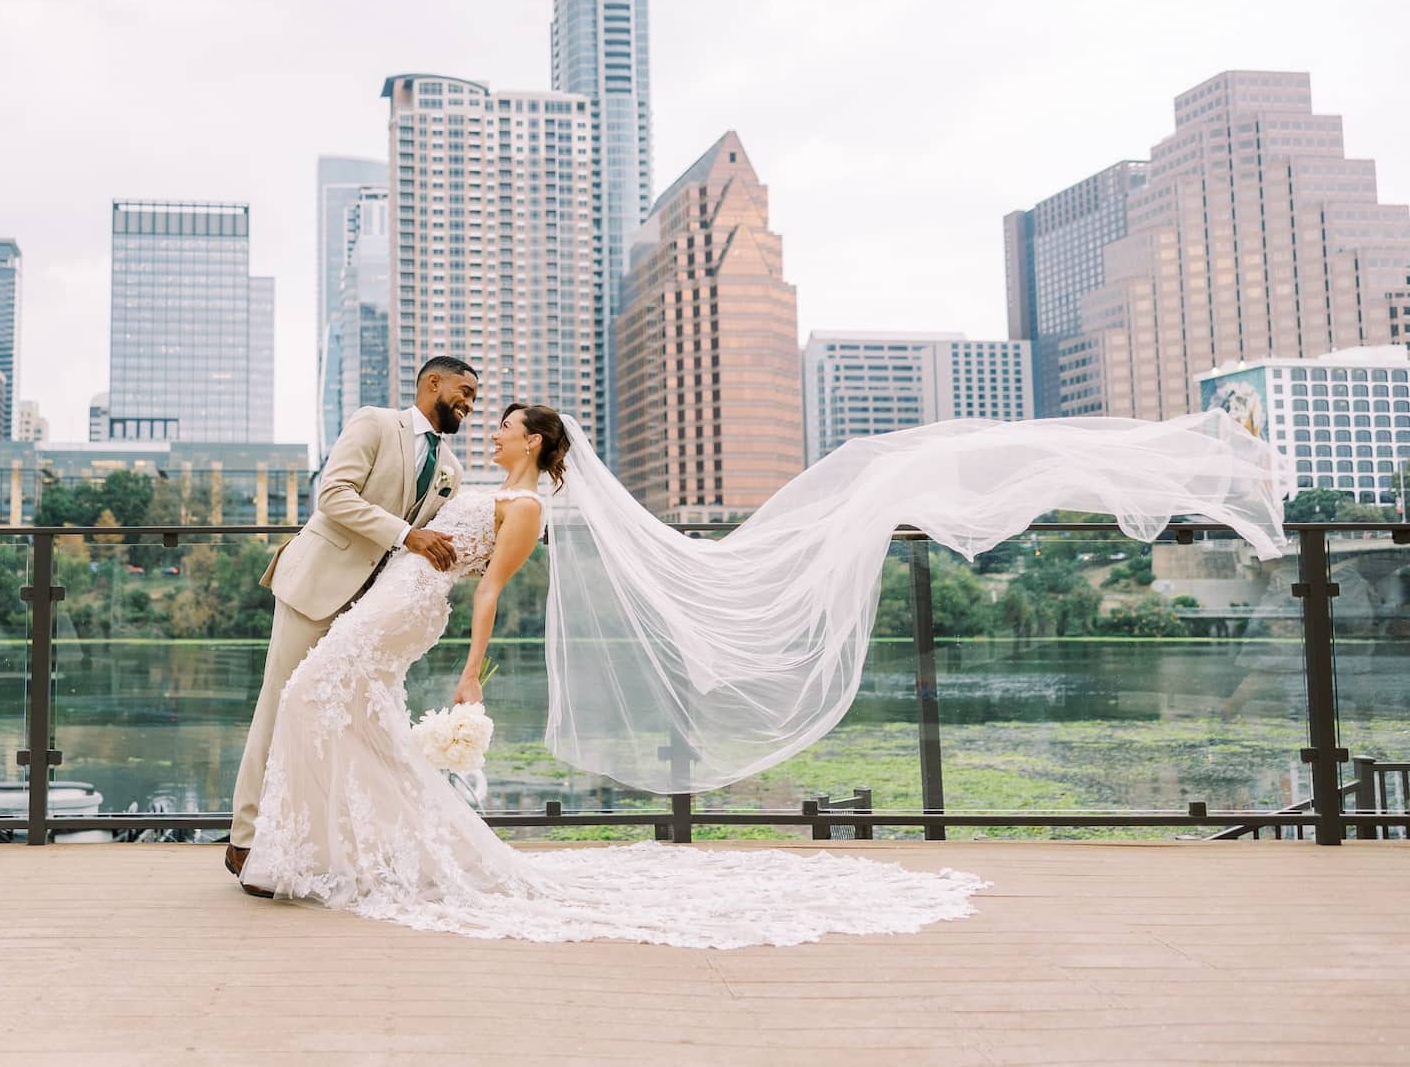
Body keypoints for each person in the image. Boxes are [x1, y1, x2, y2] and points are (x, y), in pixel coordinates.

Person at [241, 405, 1293, 949]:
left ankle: (323, 853)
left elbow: (488, 595)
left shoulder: (523, 507)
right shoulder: (478, 480)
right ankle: (338, 852)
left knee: (313, 703)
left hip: (409, 618)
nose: (498, 422)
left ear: (535, 442)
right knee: (337, 718)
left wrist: (471, 672)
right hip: (387, 605)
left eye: (511, 418)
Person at [224, 356, 478, 893]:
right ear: (431, 382)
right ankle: (245, 839)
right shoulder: (375, 423)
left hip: (371, 612)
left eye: (474, 397)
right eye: (463, 390)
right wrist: (407, 535)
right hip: (315, 586)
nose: (469, 403)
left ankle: (306, 844)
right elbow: (334, 496)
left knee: (337, 724)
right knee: (281, 704)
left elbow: (431, 545)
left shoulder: (452, 470)